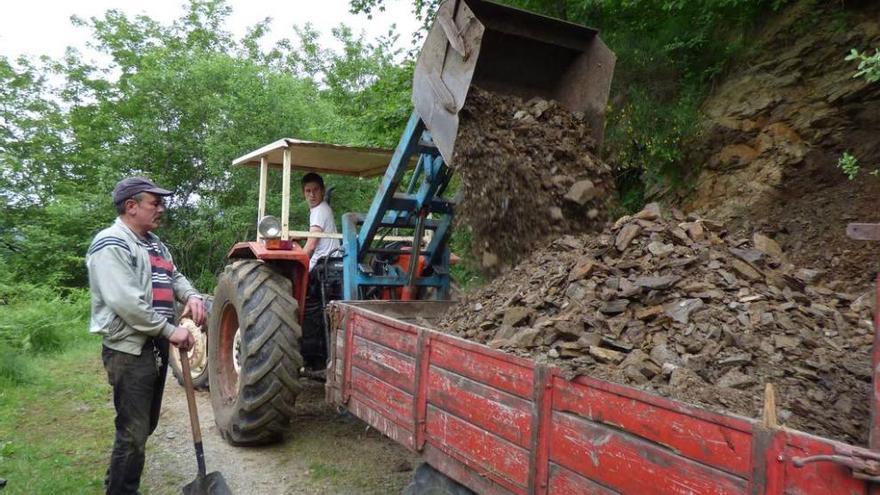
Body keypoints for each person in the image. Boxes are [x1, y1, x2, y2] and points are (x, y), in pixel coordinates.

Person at [86, 176, 206, 495]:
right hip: (129, 350)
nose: (162, 209)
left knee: (144, 426)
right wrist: (170, 330)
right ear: (131, 206)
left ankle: (117, 482)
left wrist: (191, 295)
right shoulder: (111, 243)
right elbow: (126, 303)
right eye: (155, 203)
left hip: (153, 345)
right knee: (134, 430)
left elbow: (174, 275)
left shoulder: (154, 243)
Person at [301, 172, 340, 271]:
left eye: (316, 190)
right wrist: (299, 236)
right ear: (303, 193)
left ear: (323, 191)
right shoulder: (322, 208)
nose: (312, 195)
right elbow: (316, 234)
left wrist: (298, 263)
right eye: (308, 191)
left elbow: (311, 246)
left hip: (323, 264)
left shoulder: (319, 210)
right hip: (330, 260)